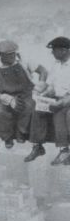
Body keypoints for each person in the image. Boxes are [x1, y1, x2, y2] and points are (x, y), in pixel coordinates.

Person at [26, 36, 70, 164]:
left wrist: (62, 102)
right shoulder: (56, 65)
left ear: (64, 50)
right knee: (38, 110)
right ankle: (37, 146)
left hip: (68, 99)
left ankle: (64, 150)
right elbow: (51, 85)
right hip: (57, 97)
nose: (52, 53)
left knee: (59, 112)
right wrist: (44, 95)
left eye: (54, 50)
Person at [0, 40, 35, 149]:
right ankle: (7, 137)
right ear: (0, 55)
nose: (12, 57)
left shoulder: (24, 61)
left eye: (13, 54)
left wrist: (42, 83)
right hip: (5, 95)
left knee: (28, 107)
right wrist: (8, 100)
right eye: (8, 55)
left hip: (25, 94)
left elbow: (43, 71)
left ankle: (21, 132)